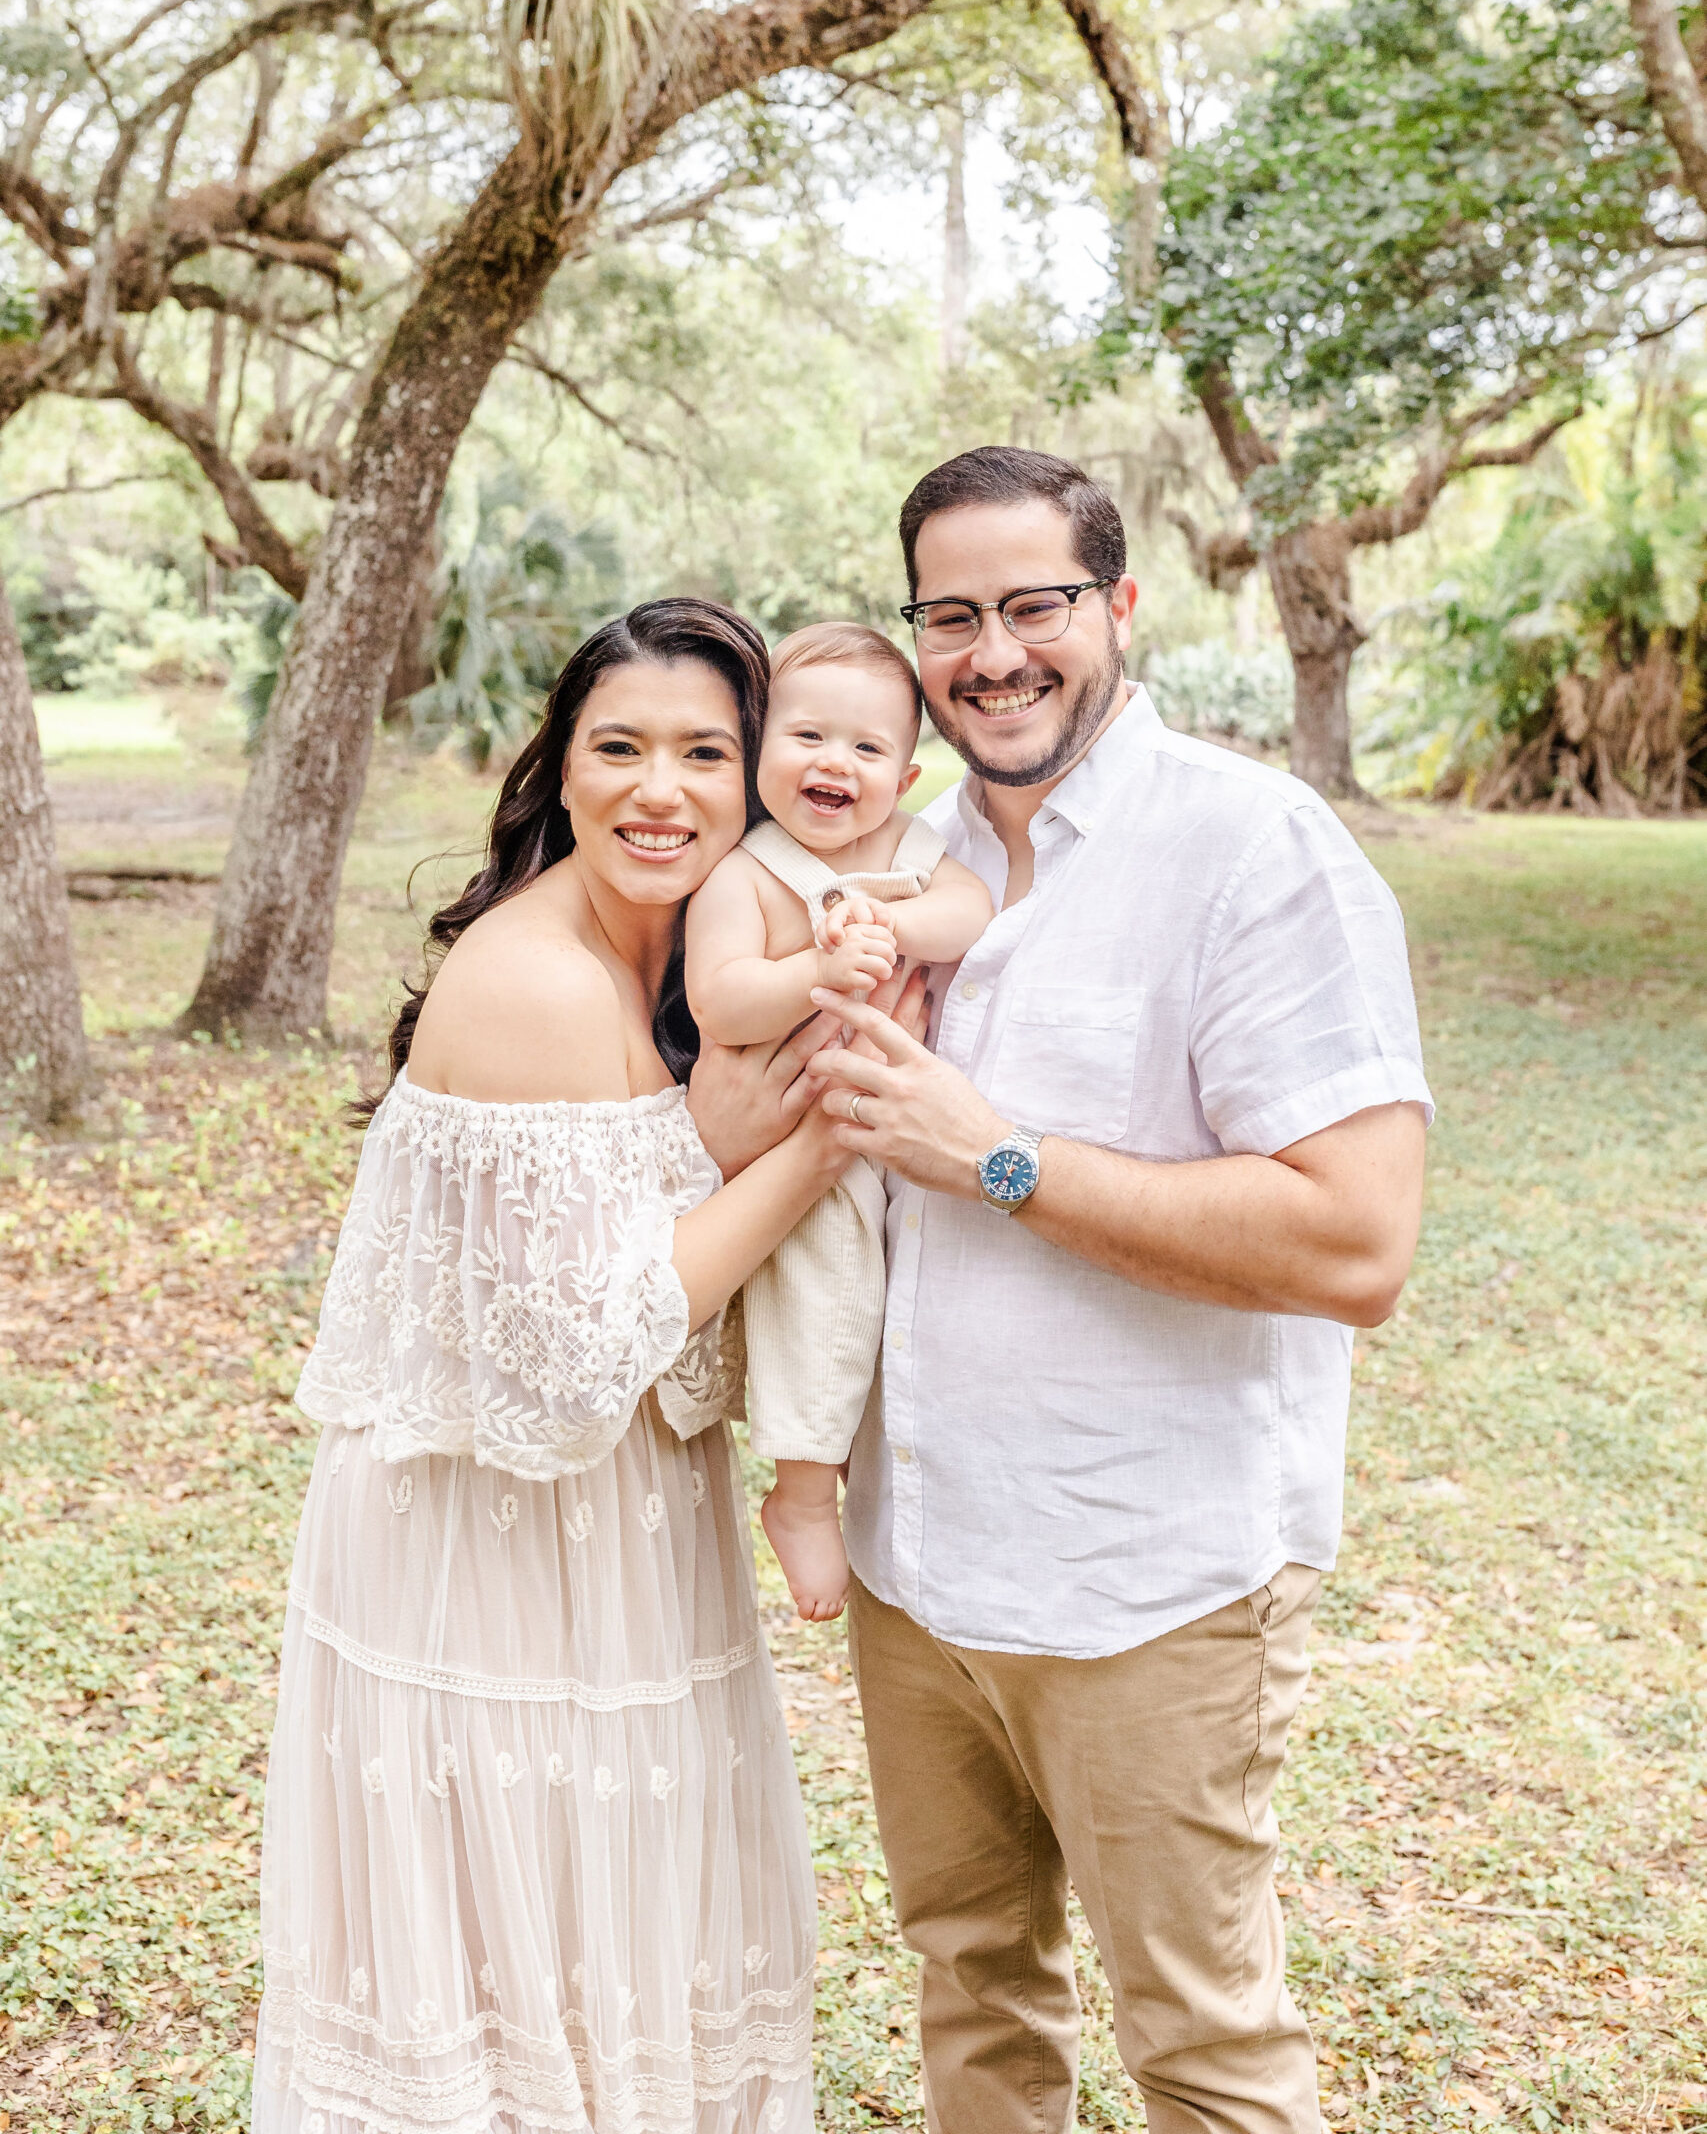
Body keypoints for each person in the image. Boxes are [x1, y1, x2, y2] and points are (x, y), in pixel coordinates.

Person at [803, 448, 1434, 2134]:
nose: (994, 653)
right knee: (974, 1994)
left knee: (1205, 2050)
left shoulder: (1250, 851)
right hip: (914, 1568)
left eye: (1035, 607)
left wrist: (997, 1153)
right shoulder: (898, 858)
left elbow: (1358, 1242)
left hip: (1145, 1579)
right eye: (954, 617)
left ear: (1118, 610)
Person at [251, 600, 852, 2134]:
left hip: (625, 1538)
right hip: (485, 1552)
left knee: (628, 1965)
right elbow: (582, 1358)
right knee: (521, 1981)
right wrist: (824, 1140)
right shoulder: (529, 982)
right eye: (621, 748)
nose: (662, 789)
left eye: (704, 751)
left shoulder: (692, 969)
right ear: (560, 770)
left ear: (758, 776)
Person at [685, 623, 992, 1621]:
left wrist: (893, 925)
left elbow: (973, 908)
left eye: (866, 750)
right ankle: (804, 1493)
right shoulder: (747, 872)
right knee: (825, 1297)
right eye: (808, 736)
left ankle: (879, 1476)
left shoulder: (909, 852)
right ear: (761, 743)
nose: (834, 763)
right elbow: (722, 1001)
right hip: (801, 1140)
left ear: (905, 775)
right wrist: (813, 973)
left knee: (910, 1310)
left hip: (910, 1132)